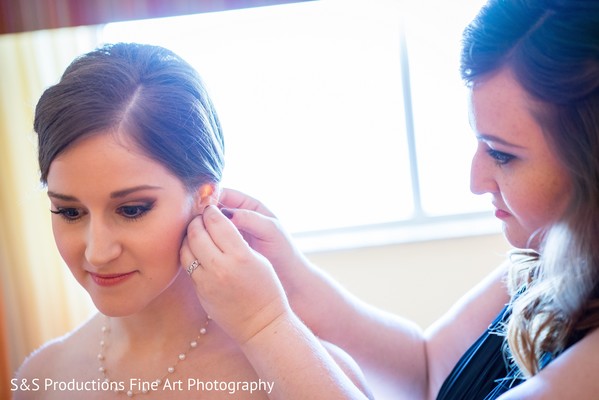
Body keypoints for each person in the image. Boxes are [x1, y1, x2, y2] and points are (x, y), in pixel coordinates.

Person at [209, 0, 599, 398]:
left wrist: (263, 323)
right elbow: (428, 370)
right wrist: (290, 276)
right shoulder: (544, 259)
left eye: (502, 154)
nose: (476, 180)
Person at [13, 43, 373, 399]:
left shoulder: (300, 376)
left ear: (204, 198)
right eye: (70, 212)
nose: (97, 252)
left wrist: (267, 325)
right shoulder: (42, 378)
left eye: (132, 209)